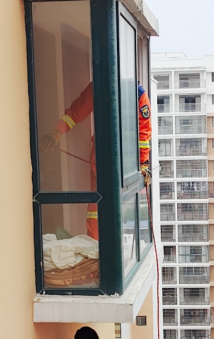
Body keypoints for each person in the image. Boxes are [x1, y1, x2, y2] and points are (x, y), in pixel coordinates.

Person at [42, 81, 152, 239]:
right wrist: (56, 132)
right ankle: (95, 245)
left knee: (110, 203)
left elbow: (143, 133)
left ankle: (102, 244)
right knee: (97, 205)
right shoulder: (107, 88)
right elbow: (76, 112)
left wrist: (143, 164)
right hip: (105, 156)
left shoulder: (136, 94)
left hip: (124, 160)